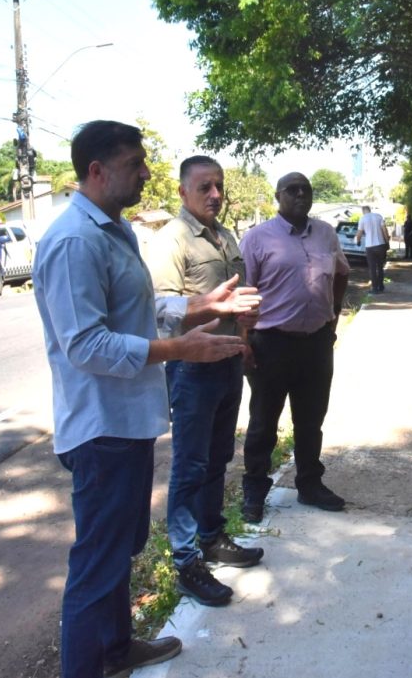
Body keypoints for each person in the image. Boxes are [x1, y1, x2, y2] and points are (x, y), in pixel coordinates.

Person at [33, 120, 247, 678]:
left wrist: (200, 307)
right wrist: (179, 349)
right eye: (135, 163)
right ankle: (88, 664)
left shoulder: (114, 230)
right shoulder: (74, 240)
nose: (147, 172)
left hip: (127, 423)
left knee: (117, 553)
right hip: (100, 428)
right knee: (97, 564)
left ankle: (117, 648)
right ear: (97, 171)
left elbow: (139, 310)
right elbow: (85, 343)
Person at [147, 155, 266, 608]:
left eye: (218, 186)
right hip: (192, 367)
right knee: (190, 465)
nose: (215, 195)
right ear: (182, 192)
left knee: (219, 456)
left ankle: (213, 535)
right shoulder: (171, 240)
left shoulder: (226, 234)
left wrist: (244, 337)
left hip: (228, 361)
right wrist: (218, 309)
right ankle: (185, 560)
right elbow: (163, 309)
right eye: (204, 188)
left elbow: (238, 300)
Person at [238, 172, 350, 523]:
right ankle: (254, 492)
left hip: (316, 343)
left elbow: (342, 273)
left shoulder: (326, 234)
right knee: (263, 423)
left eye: (306, 190)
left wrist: (332, 319)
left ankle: (309, 484)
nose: (301, 195)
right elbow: (244, 294)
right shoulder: (256, 238)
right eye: (293, 190)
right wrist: (244, 343)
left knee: (311, 421)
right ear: (278, 196)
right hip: (271, 344)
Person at [355, 204, 390, 292]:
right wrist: (387, 242)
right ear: (369, 210)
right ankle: (381, 286)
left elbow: (359, 233)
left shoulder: (363, 219)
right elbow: (384, 230)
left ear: (363, 211)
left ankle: (374, 288)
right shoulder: (378, 216)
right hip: (381, 245)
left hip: (370, 246)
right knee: (380, 266)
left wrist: (357, 241)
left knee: (372, 268)